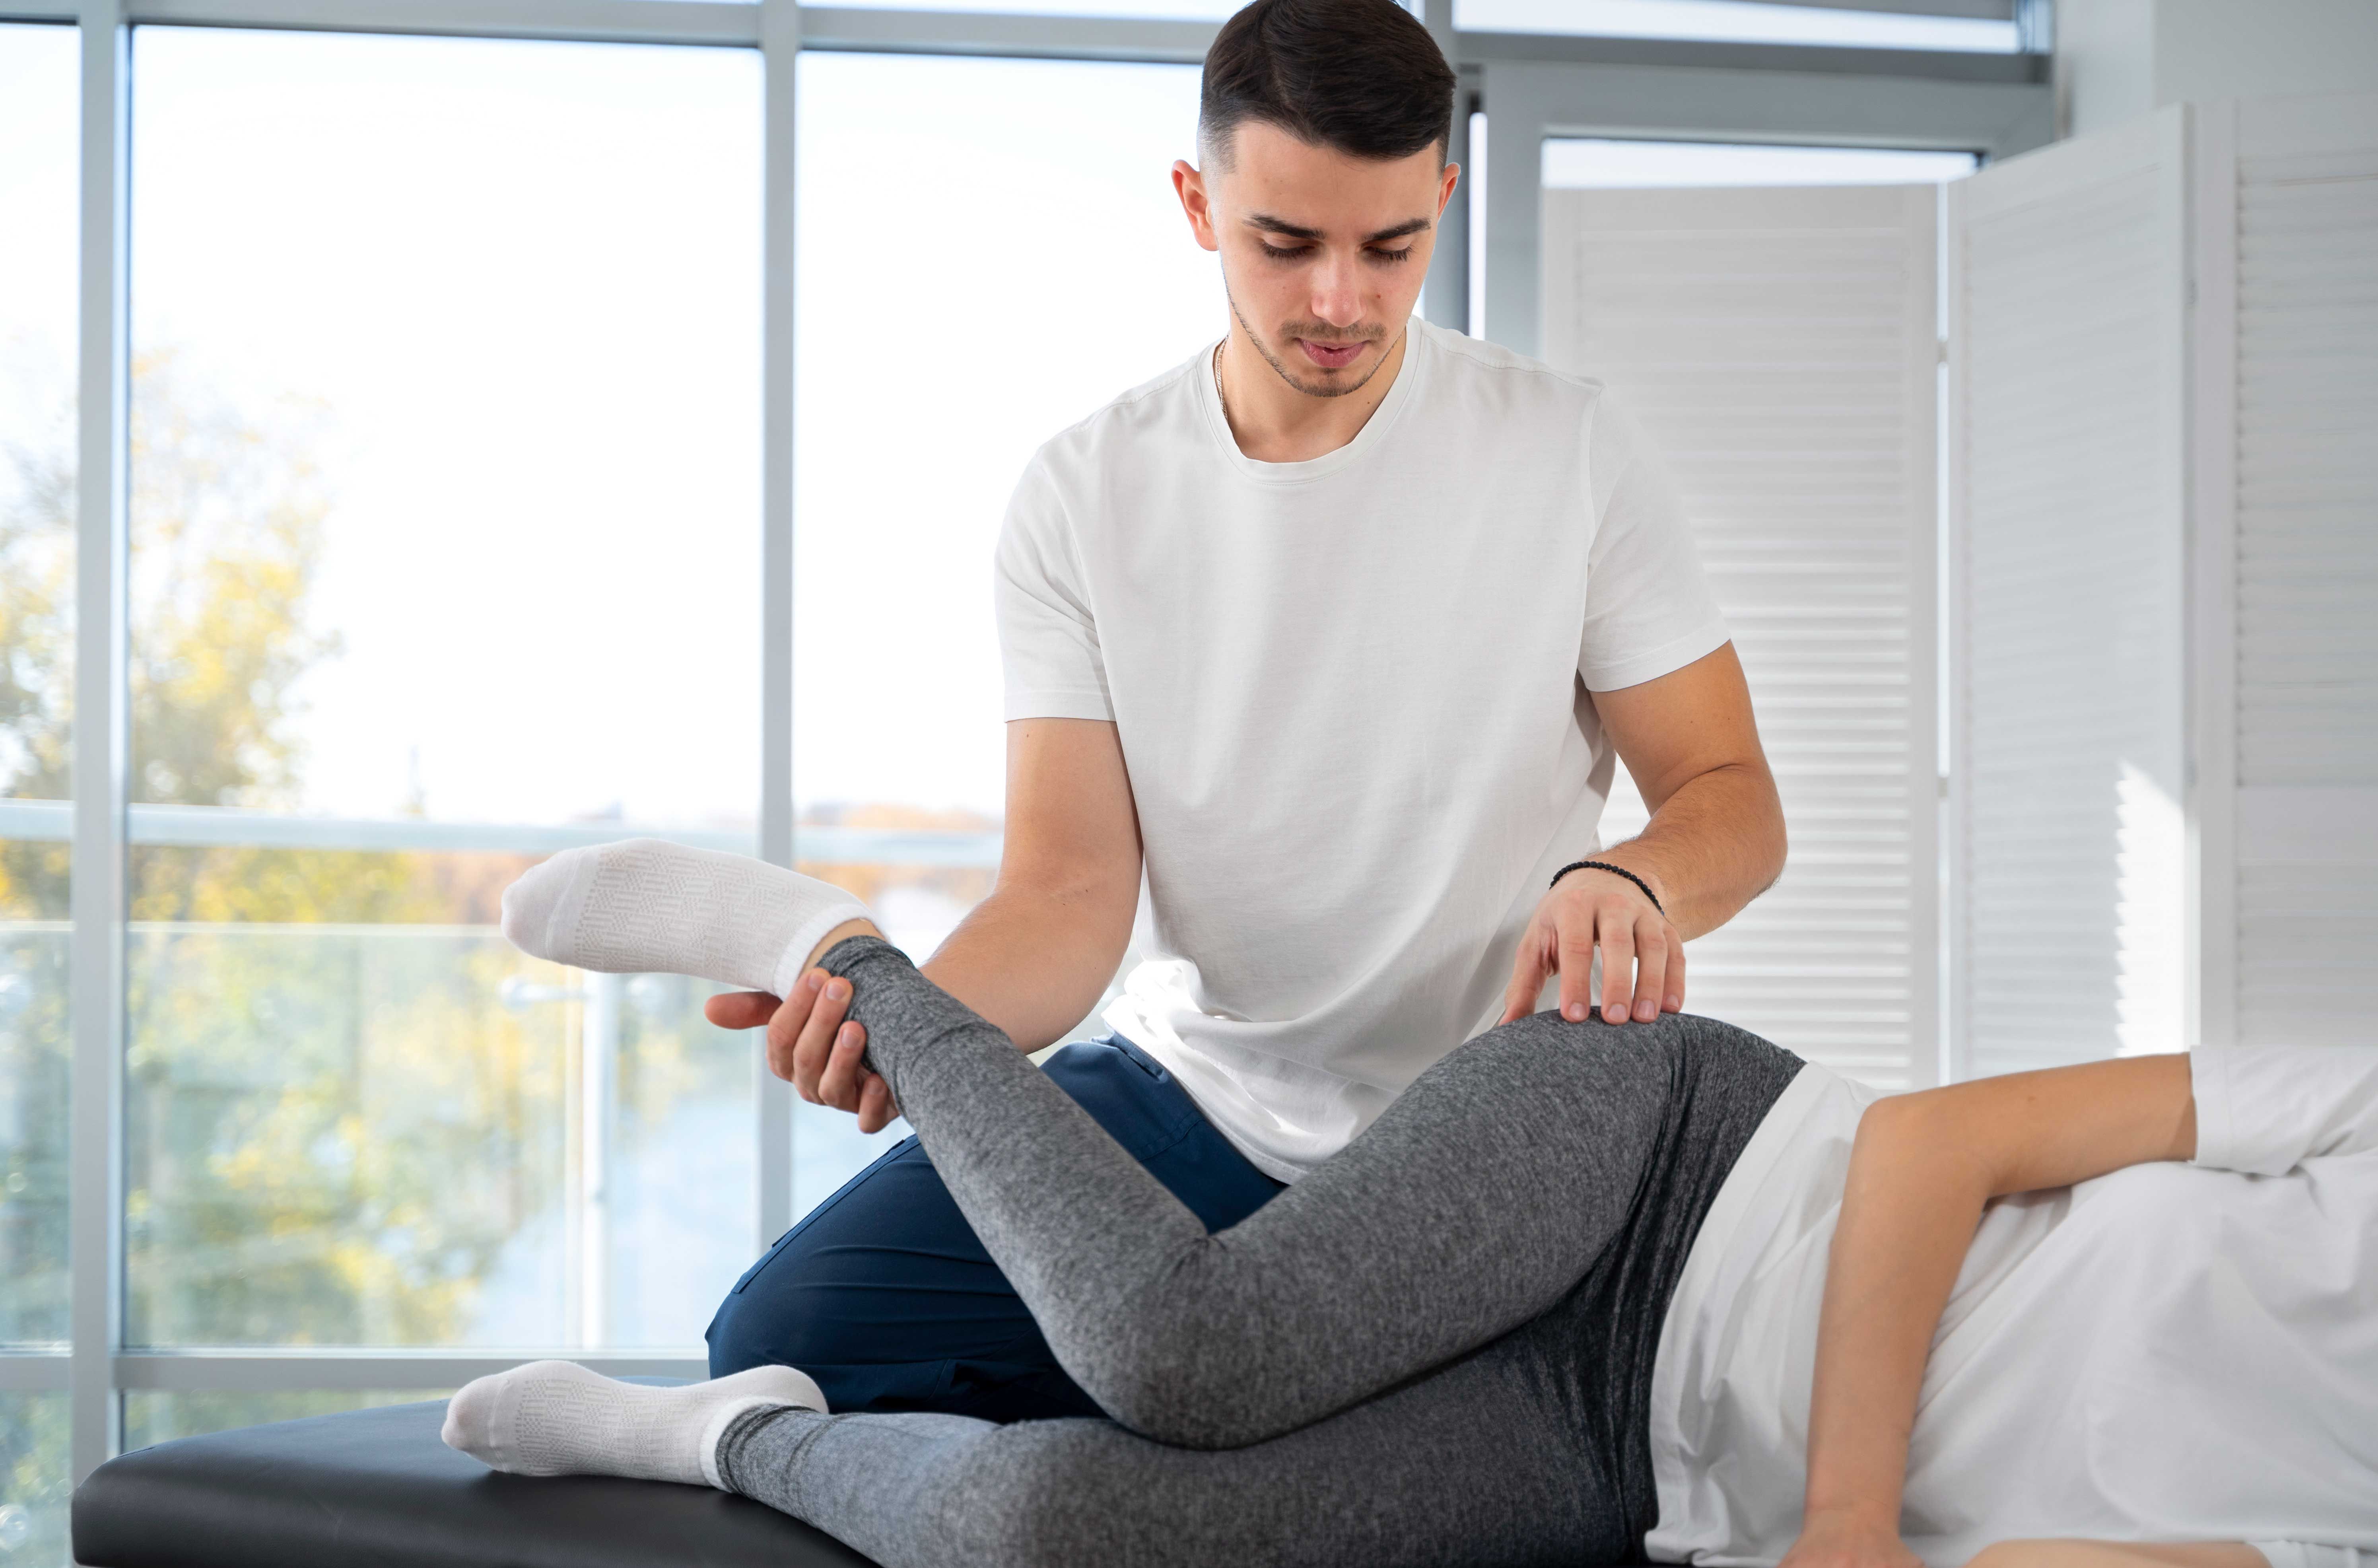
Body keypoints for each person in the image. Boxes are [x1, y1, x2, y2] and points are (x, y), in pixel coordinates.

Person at [702, 0, 1790, 1421]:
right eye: (1287, 243)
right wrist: (913, 1031)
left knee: (1281, 1381)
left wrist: (1628, 876)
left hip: (1483, 1126)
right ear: (1198, 205)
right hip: (1192, 1097)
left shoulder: (1565, 448)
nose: (1341, 299)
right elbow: (1070, 890)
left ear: (1441, 201)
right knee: (787, 1345)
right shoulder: (1084, 495)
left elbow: (1730, 798)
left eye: (1391, 247)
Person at [450, 842, 2378, 1568]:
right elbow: (1937, 1145)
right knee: (1189, 1351)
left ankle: (731, 1440)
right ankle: (844, 948)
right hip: (1677, 1171)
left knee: (1062, 1530)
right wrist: (1857, 1518)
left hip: (1634, 1464)